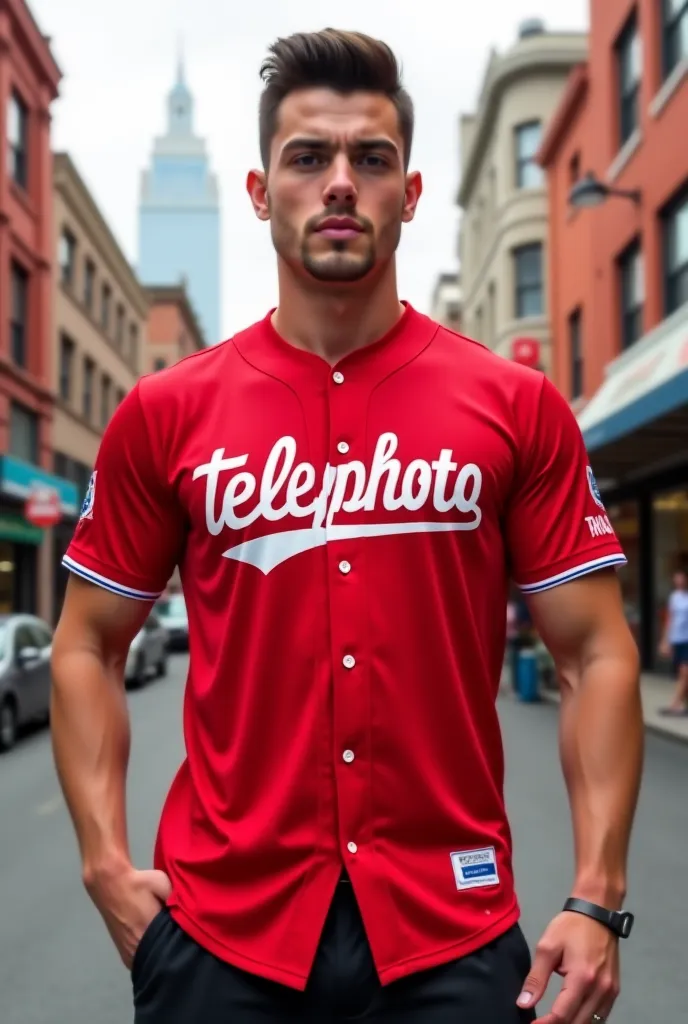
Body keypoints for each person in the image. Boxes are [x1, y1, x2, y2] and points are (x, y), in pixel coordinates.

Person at [50, 28, 644, 1024]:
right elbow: (84, 647)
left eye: (370, 159)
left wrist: (598, 892)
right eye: (307, 157)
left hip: (449, 931)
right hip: (216, 938)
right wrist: (107, 868)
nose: (339, 183)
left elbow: (595, 653)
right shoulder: (163, 412)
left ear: (408, 194)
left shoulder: (515, 403)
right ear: (257, 190)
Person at [658, 567, 688, 715]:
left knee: (684, 672)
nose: (678, 580)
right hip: (677, 639)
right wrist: (665, 640)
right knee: (682, 673)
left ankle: (675, 704)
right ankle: (682, 703)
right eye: (676, 578)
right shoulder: (675, 597)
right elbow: (670, 620)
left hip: (686, 639)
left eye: (681, 577)